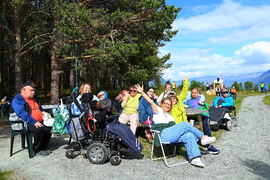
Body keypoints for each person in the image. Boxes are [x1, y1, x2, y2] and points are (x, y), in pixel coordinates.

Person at [135, 84, 216, 168]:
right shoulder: (157, 110)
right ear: (161, 104)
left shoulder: (170, 116)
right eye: (165, 103)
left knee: (189, 135)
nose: (167, 105)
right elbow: (151, 102)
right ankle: (202, 137)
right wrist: (142, 93)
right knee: (185, 124)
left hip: (172, 135)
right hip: (162, 134)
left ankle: (195, 158)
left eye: (169, 104)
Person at [11, 81, 52, 156]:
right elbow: (21, 113)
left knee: (49, 127)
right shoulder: (17, 100)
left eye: (34, 91)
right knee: (39, 129)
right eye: (31, 90)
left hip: (38, 120)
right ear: (24, 90)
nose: (33, 92)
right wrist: (33, 121)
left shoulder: (35, 98)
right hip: (25, 122)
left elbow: (40, 108)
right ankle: (36, 148)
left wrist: (44, 113)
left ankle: (43, 146)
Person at [186, 88, 220, 154]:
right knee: (191, 125)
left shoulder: (201, 98)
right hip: (193, 116)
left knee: (205, 122)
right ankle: (205, 144)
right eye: (192, 93)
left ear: (198, 92)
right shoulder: (189, 101)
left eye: (195, 93)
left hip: (203, 115)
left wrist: (203, 104)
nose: (193, 94)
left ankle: (208, 140)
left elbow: (207, 107)